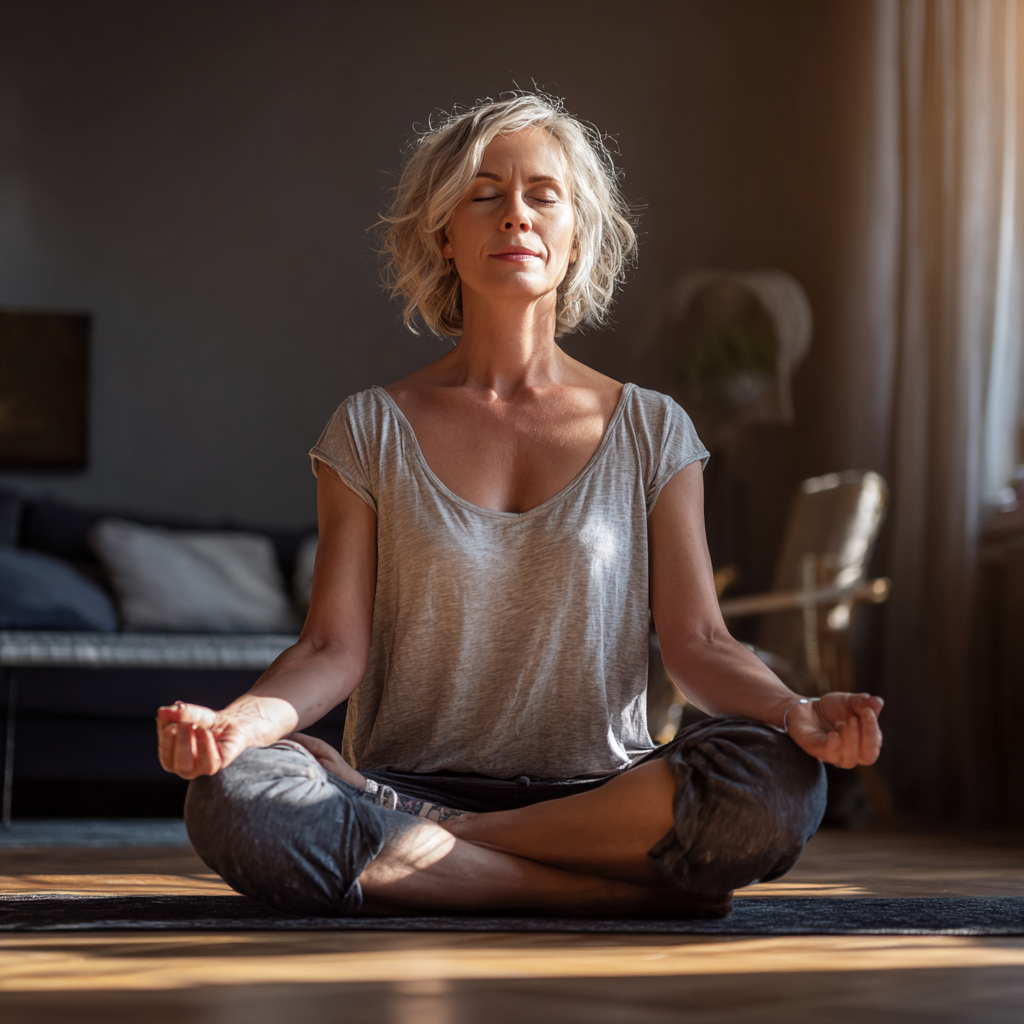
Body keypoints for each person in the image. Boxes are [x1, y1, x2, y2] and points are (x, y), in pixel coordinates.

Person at [157, 93, 883, 919]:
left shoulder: (652, 428)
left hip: (603, 790)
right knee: (235, 795)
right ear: (444, 234)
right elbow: (329, 646)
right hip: (407, 776)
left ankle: (445, 851)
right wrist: (236, 727)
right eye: (484, 194)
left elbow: (701, 643)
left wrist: (795, 711)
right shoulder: (369, 426)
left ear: (577, 238)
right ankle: (604, 894)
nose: (516, 215)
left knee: (780, 783)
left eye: (544, 194)